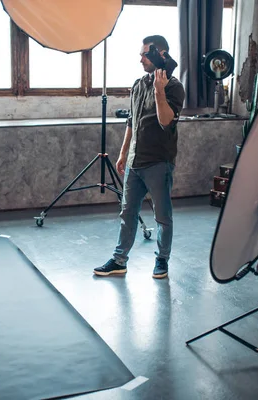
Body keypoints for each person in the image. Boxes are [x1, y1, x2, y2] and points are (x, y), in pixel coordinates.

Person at [94, 35, 185, 279]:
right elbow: (132, 121)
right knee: (127, 213)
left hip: (159, 162)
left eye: (145, 53)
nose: (141, 58)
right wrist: (123, 153)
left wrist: (159, 90)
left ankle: (162, 260)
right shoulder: (137, 84)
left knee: (162, 216)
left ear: (161, 55)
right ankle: (119, 260)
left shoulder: (174, 87)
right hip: (135, 161)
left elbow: (166, 121)